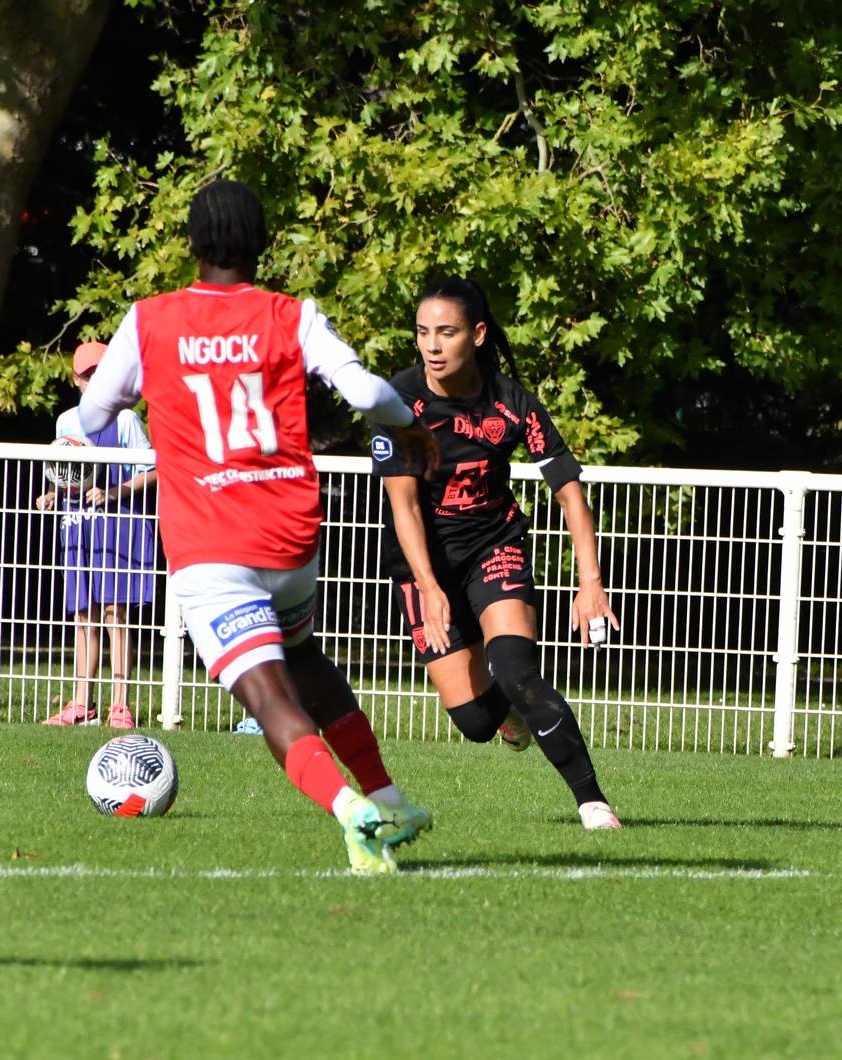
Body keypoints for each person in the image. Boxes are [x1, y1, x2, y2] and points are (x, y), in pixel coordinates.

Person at [77, 178, 429, 875]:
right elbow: (365, 392)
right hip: (290, 537)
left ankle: (351, 812)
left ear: (191, 243)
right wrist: (413, 426)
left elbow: (92, 418)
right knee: (301, 659)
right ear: (263, 243)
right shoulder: (291, 315)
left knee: (268, 696)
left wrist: (149, 407)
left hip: (211, 547)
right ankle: (389, 797)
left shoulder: (149, 320)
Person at [372, 277, 622, 830]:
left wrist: (590, 585)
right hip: (422, 565)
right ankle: (510, 715)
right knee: (476, 723)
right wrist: (429, 587)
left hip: (494, 545)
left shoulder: (513, 402)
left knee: (516, 671)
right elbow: (403, 507)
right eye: (423, 333)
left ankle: (593, 803)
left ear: (478, 334)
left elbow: (570, 494)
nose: (432, 345)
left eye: (447, 332)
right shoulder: (399, 402)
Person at [36, 341, 159, 730]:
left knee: (114, 614)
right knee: (83, 614)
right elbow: (64, 474)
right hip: (78, 526)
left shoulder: (126, 420)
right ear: (76, 379)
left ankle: (120, 705)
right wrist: (52, 495)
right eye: (88, 374)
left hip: (117, 526)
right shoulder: (65, 422)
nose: (96, 380)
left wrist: (115, 493)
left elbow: (154, 469)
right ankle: (81, 703)